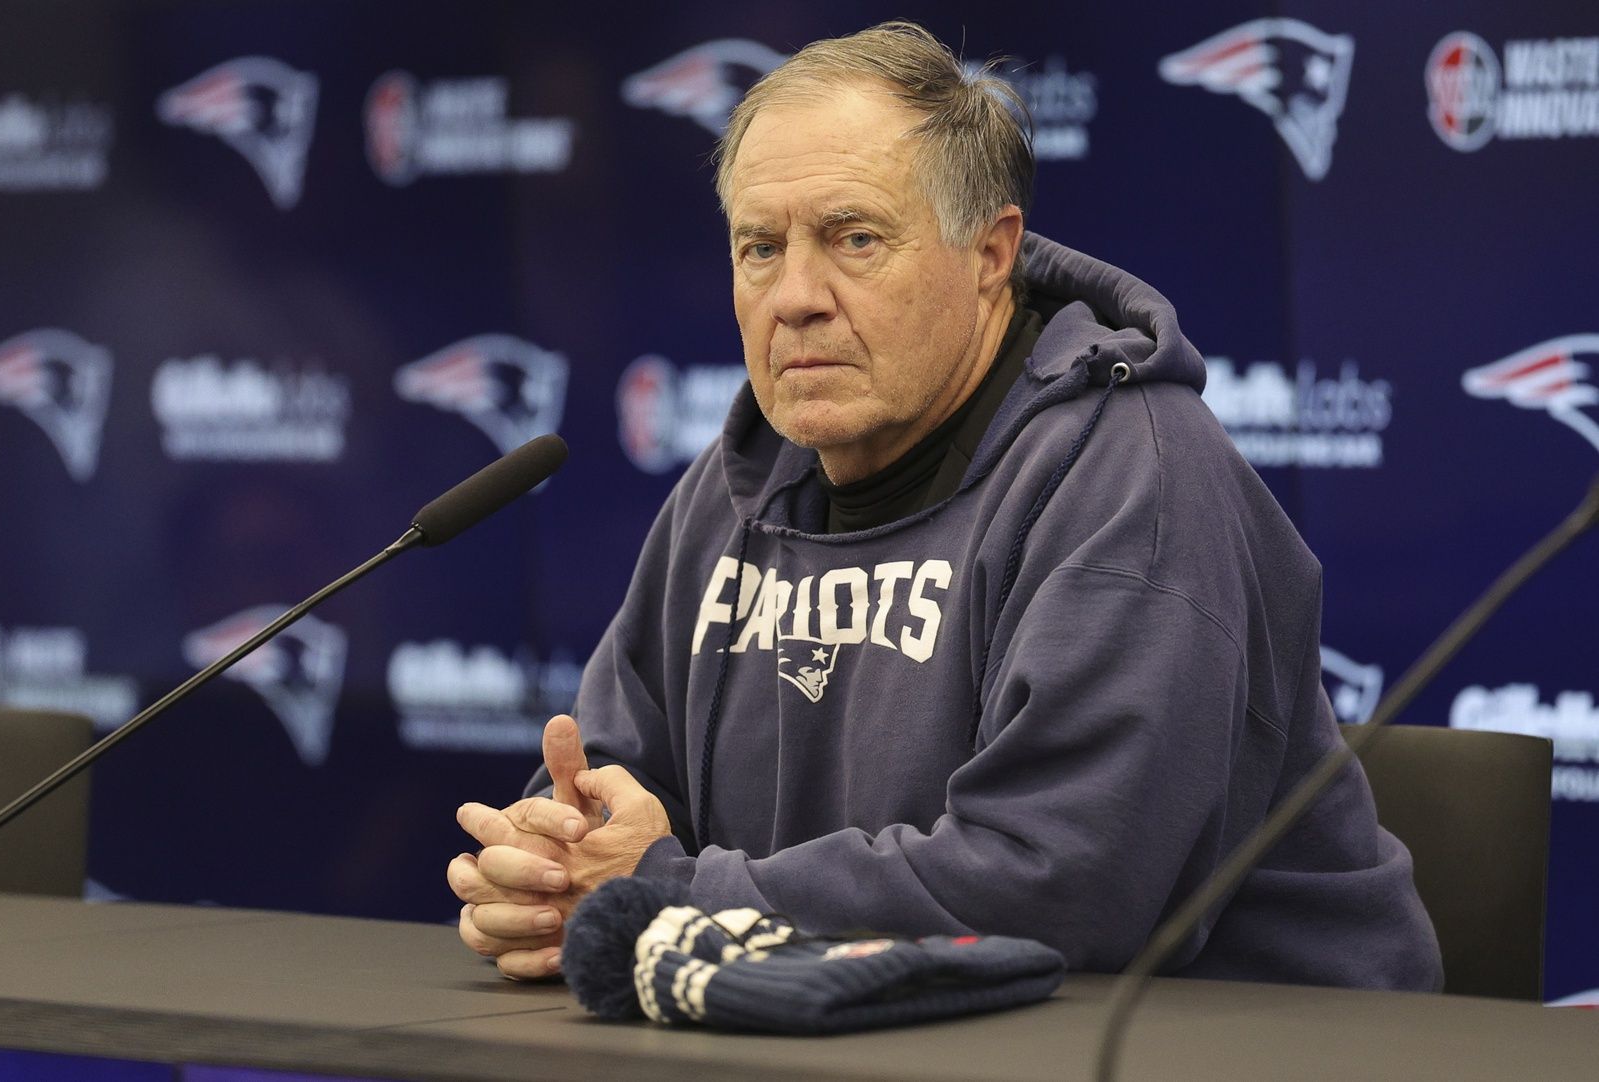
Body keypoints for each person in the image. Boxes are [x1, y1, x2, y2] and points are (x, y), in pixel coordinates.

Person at [446, 21, 1442, 990]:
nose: (795, 294)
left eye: (856, 238)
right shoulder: (738, 486)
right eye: (759, 247)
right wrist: (546, 871)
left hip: (1243, 1047)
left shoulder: (1132, 481)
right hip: (866, 1027)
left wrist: (660, 893)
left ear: (990, 253)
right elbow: (607, 793)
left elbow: (1058, 882)